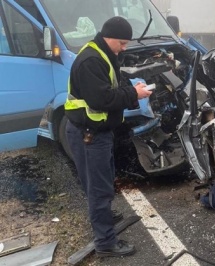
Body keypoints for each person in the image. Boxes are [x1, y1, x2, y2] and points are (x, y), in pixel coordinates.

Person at [64, 16, 152, 257]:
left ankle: (103, 215)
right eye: (122, 43)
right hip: (88, 135)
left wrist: (131, 87)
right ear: (109, 37)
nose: (124, 48)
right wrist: (134, 94)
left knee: (102, 180)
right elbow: (102, 99)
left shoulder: (104, 53)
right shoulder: (91, 60)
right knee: (98, 188)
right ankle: (105, 243)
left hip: (96, 132)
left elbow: (112, 84)